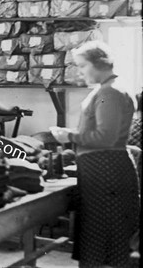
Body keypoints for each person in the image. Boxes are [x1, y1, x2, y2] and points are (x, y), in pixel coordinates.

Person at [49, 41, 139, 267]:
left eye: (82, 66)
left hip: (106, 172)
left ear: (99, 63)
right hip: (103, 170)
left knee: (104, 238)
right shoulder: (110, 89)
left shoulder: (109, 92)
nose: (80, 72)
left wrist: (69, 136)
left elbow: (105, 138)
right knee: (101, 237)